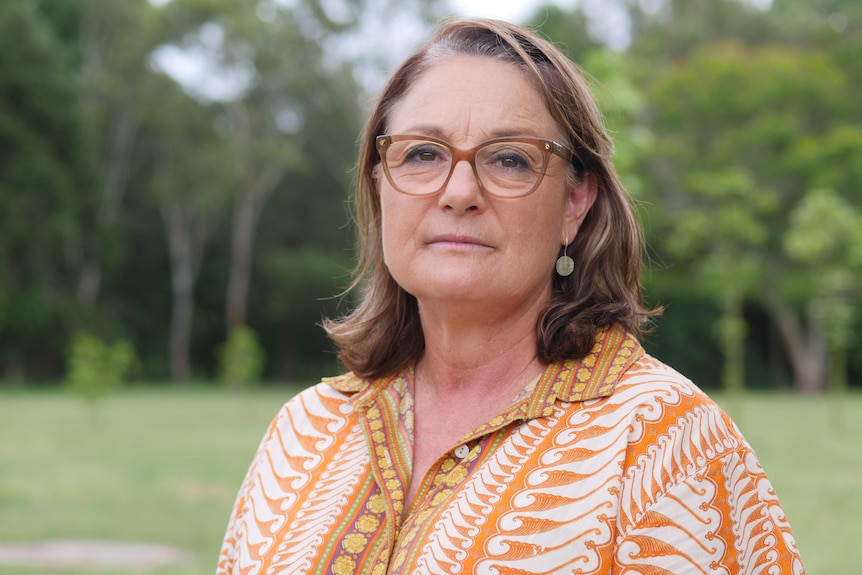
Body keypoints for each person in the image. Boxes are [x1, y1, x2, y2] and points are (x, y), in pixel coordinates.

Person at [216, 17, 804, 575]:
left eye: (510, 159)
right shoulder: (305, 431)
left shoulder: (667, 447)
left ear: (576, 204)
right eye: (422, 153)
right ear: (379, 183)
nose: (460, 192)